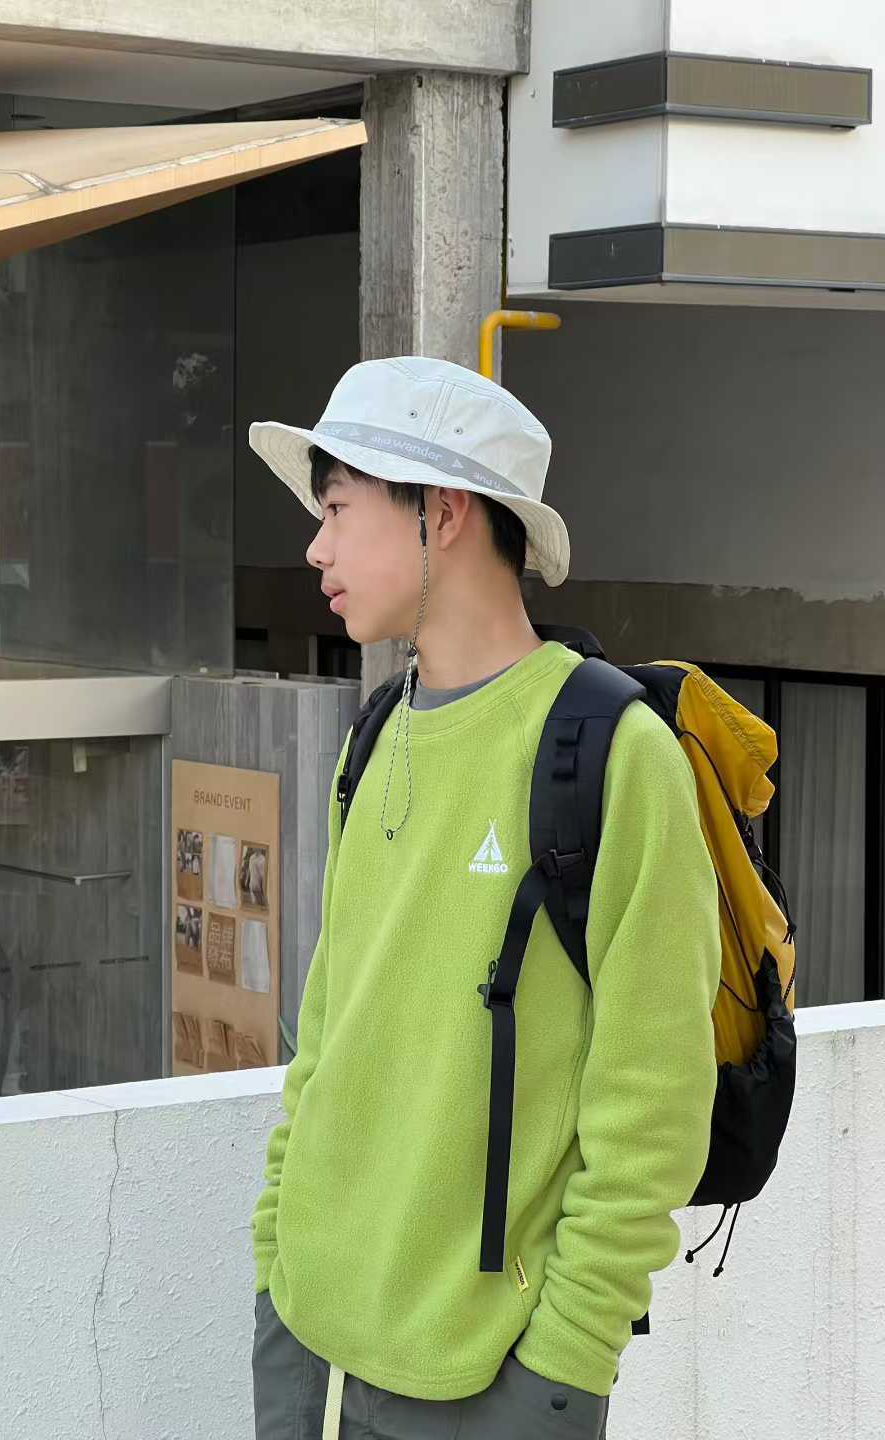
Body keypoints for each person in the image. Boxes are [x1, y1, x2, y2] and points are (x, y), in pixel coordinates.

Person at [246, 356, 721, 1440]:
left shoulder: (612, 752)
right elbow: (326, 1037)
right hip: (309, 1340)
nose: (315, 547)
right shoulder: (374, 738)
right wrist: (277, 1254)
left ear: (444, 511)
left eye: (337, 508)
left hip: (492, 1377)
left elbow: (653, 1103)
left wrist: (567, 1358)